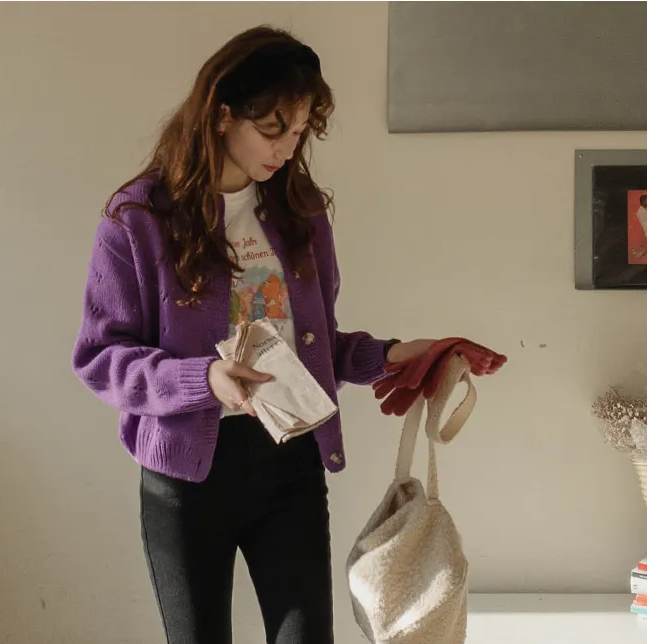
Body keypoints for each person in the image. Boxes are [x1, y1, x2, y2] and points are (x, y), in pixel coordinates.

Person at [71, 25, 434, 644]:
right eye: (273, 129)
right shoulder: (139, 220)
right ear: (221, 115)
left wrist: (391, 356)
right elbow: (101, 358)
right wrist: (204, 378)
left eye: (299, 133)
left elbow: (315, 347)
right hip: (187, 477)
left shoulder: (300, 213)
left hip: (291, 465)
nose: (287, 150)